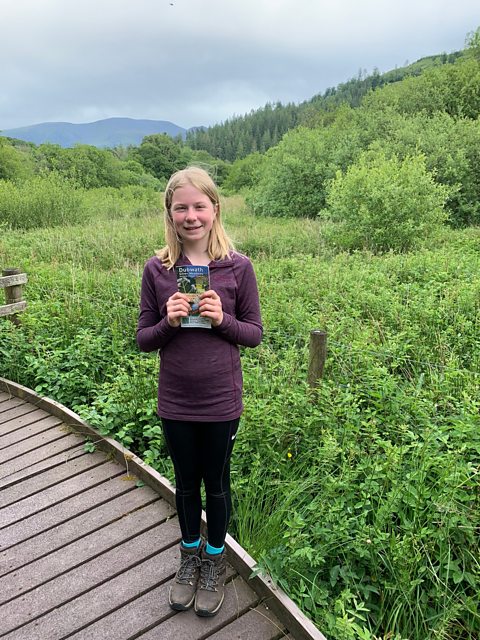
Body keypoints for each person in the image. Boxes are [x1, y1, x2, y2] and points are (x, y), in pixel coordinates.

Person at [137, 166, 262, 617]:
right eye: (181, 207)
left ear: (215, 209)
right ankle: (189, 556)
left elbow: (253, 334)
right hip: (175, 401)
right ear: (169, 214)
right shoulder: (158, 270)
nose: (191, 216)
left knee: (218, 486)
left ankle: (214, 561)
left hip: (221, 402)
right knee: (186, 486)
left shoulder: (237, 267)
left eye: (199, 206)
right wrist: (167, 323)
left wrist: (221, 318)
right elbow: (143, 339)